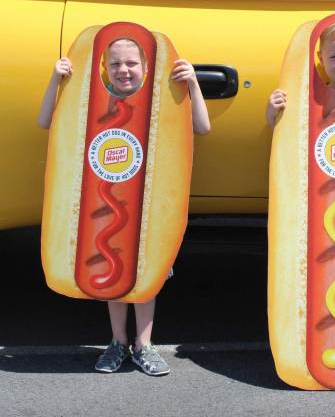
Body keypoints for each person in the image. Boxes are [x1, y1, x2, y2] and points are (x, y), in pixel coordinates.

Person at [38, 39, 210, 376]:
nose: (123, 70)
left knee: (145, 274)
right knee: (113, 269)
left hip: (148, 207)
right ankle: (118, 342)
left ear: (146, 68)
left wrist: (192, 82)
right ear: (104, 68)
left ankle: (143, 345)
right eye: (115, 64)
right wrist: (56, 80)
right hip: (104, 203)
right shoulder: (92, 103)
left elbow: (202, 127)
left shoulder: (160, 104)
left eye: (131, 63)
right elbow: (46, 121)